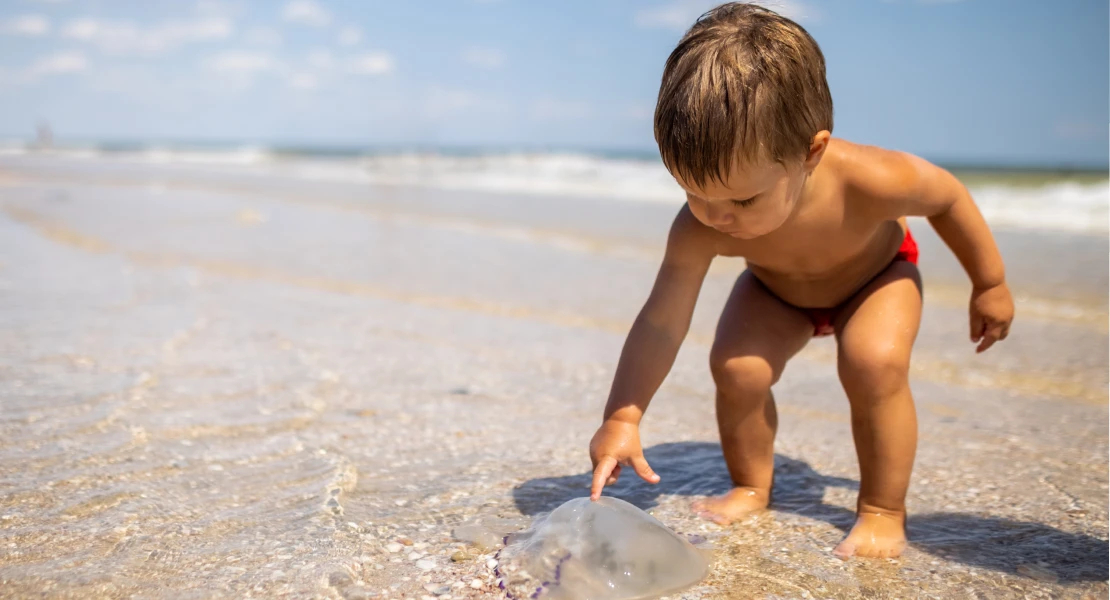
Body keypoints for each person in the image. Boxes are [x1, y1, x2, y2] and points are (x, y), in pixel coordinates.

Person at [588, 2, 1014, 559]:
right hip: (777, 291)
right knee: (736, 369)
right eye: (694, 192)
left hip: (876, 278)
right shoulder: (700, 226)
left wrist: (990, 283)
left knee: (873, 363)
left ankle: (883, 510)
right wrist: (623, 415)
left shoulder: (869, 180)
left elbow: (947, 197)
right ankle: (751, 484)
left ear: (811, 153)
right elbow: (663, 322)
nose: (717, 217)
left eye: (743, 199)